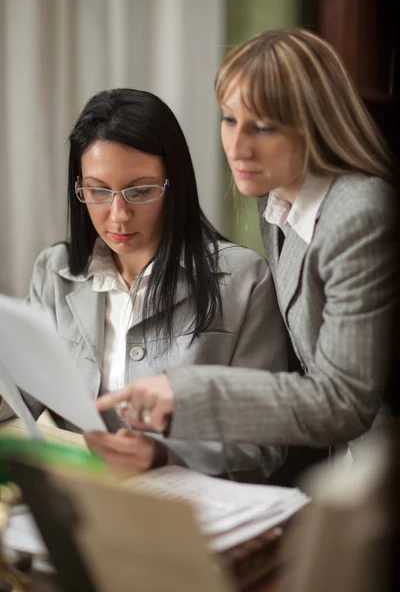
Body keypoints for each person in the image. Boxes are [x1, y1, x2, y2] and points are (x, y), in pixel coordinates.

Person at [95, 28, 400, 463]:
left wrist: (186, 392)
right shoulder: (275, 198)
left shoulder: (361, 216)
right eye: (230, 119)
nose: (237, 148)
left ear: (315, 124)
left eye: (263, 127)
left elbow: (343, 400)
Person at [0, 88, 289, 482]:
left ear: (175, 185)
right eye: (99, 191)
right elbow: (21, 391)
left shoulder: (244, 281)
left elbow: (264, 442)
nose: (118, 215)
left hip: (190, 507)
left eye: (140, 190)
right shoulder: (56, 271)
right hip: (85, 498)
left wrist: (162, 453)